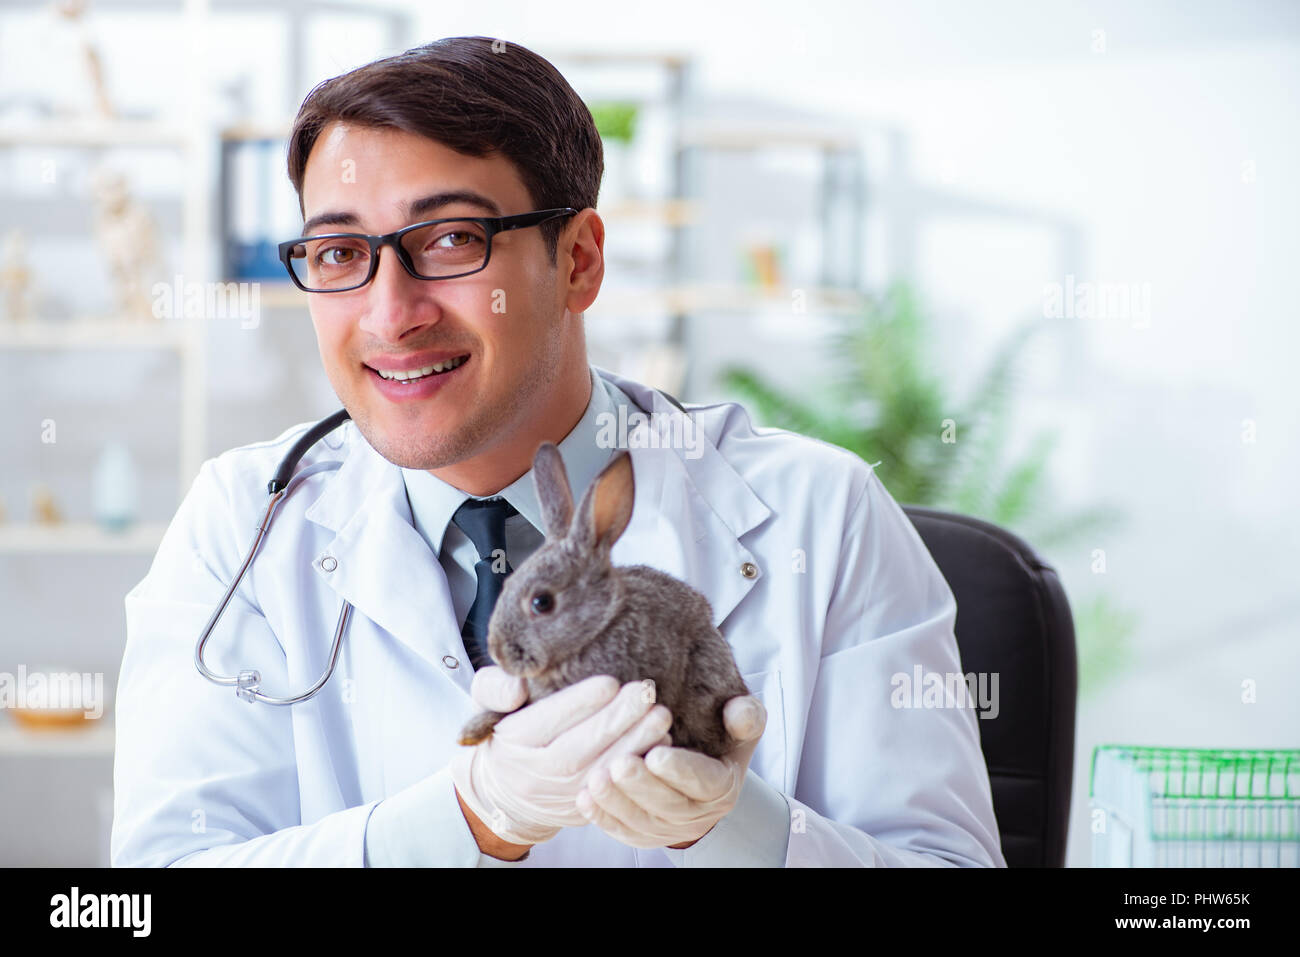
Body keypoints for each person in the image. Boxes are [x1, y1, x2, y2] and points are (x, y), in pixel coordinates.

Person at [111, 36, 1005, 868]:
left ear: (578, 260)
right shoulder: (242, 525)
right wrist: (469, 817)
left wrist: (736, 828)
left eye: (450, 240)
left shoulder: (826, 514)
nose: (390, 313)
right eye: (342, 252)